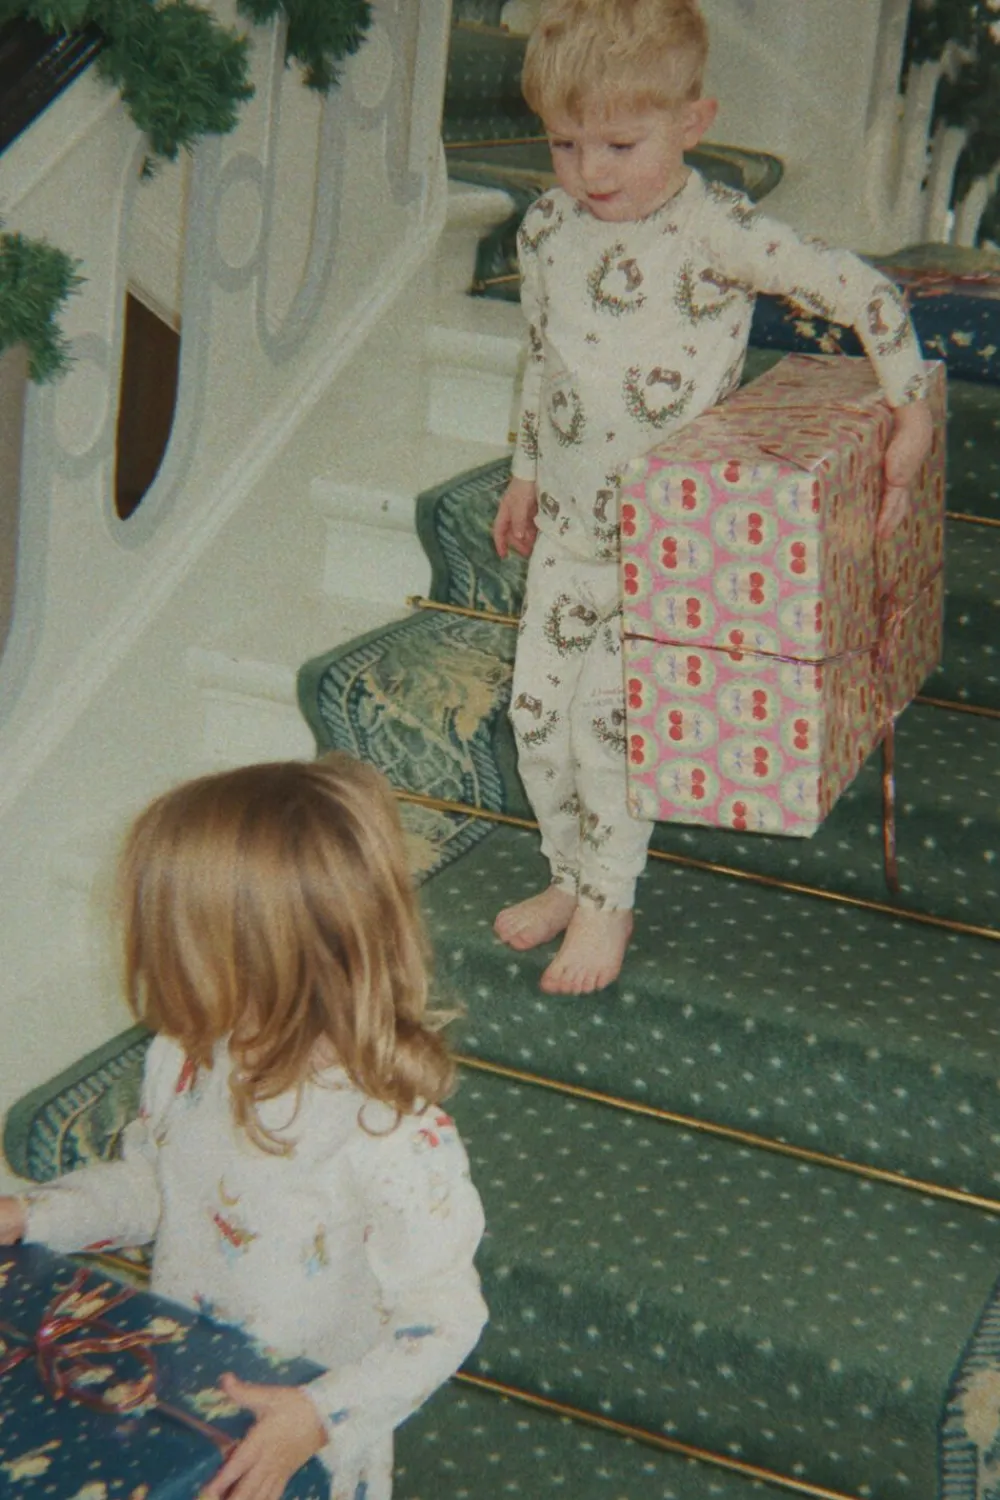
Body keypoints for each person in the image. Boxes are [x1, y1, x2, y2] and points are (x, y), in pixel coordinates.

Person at [491, 0, 935, 996]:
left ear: (693, 121)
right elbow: (543, 361)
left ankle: (609, 899)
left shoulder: (716, 230)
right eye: (564, 143)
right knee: (535, 719)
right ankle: (568, 874)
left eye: (620, 143)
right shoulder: (546, 228)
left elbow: (864, 291)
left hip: (670, 543)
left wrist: (910, 405)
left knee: (607, 725)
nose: (590, 170)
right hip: (567, 533)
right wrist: (524, 472)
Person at [0, 755, 487, 1500]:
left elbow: (445, 1318)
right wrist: (35, 1215)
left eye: (171, 932)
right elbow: (154, 1187)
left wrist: (319, 1415)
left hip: (296, 1443)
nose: (150, 949)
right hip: (183, 1392)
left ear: (262, 952)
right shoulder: (185, 1057)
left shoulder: (388, 1132)